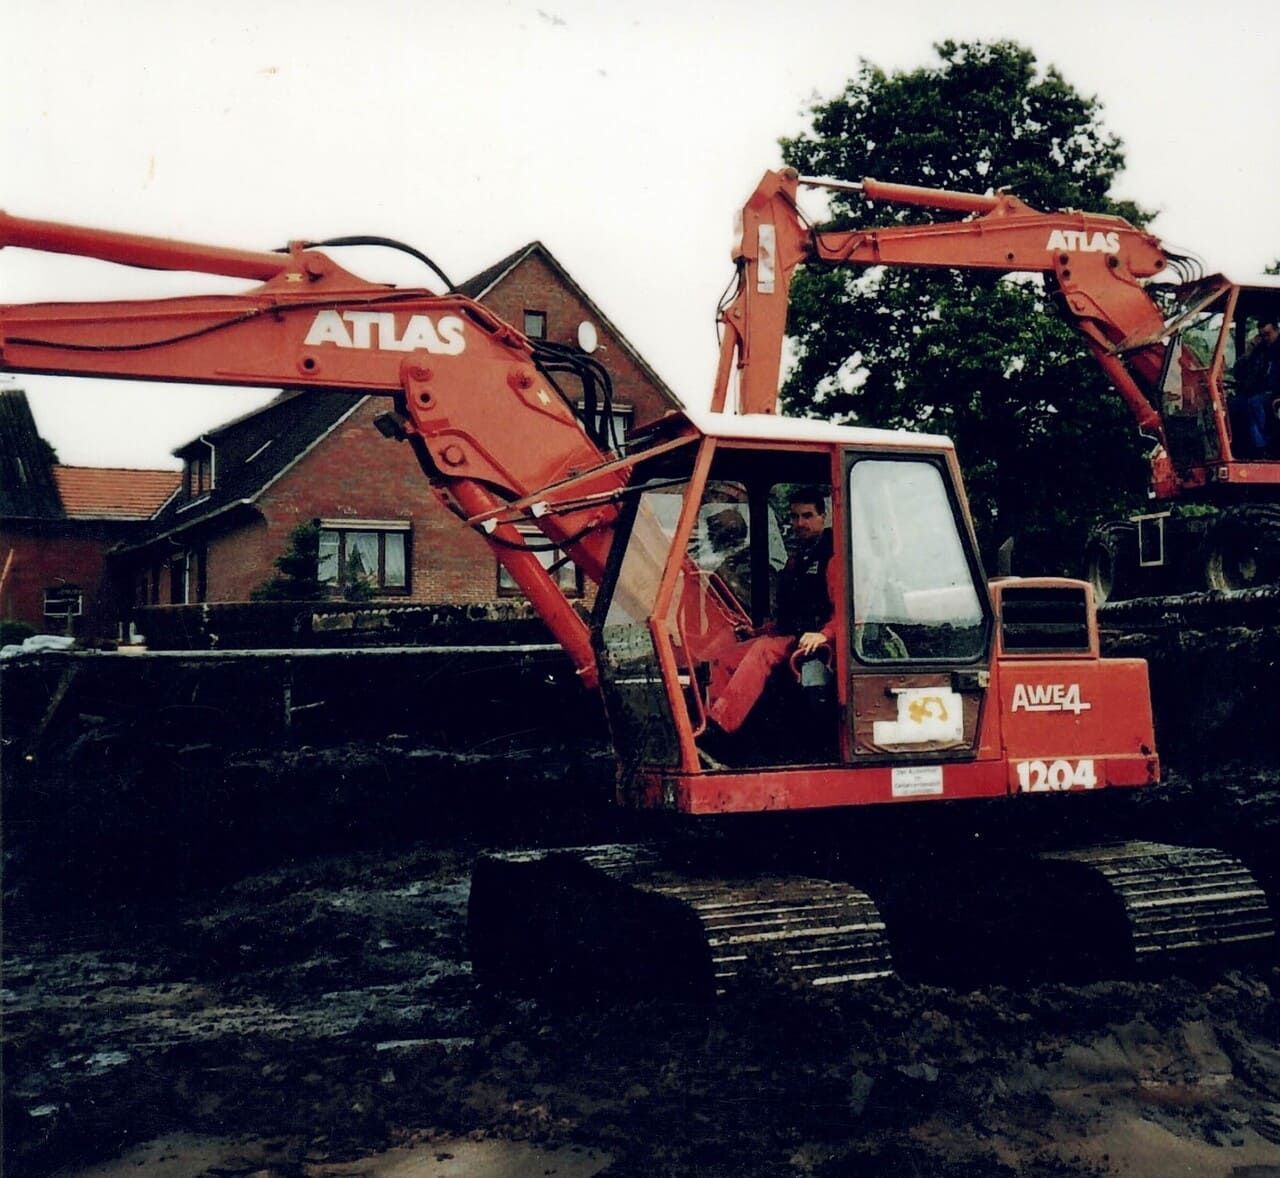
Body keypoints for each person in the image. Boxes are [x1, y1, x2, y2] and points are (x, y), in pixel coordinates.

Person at [706, 488, 836, 734]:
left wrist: (824, 635)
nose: (800, 523)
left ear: (823, 516)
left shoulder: (833, 558)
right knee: (725, 656)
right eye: (795, 517)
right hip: (793, 635)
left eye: (807, 516)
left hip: (815, 640)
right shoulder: (798, 558)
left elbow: (848, 613)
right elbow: (791, 613)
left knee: (762, 650)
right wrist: (759, 630)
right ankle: (706, 719)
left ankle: (721, 727)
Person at [1232, 320, 1280, 457]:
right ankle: (1237, 448)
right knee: (1232, 404)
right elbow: (1238, 372)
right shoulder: (1259, 350)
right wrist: (1250, 350)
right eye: (1261, 335)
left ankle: (1264, 445)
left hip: (1275, 392)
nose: (1265, 338)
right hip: (1257, 391)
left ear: (1277, 331)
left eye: (1268, 334)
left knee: (1254, 403)